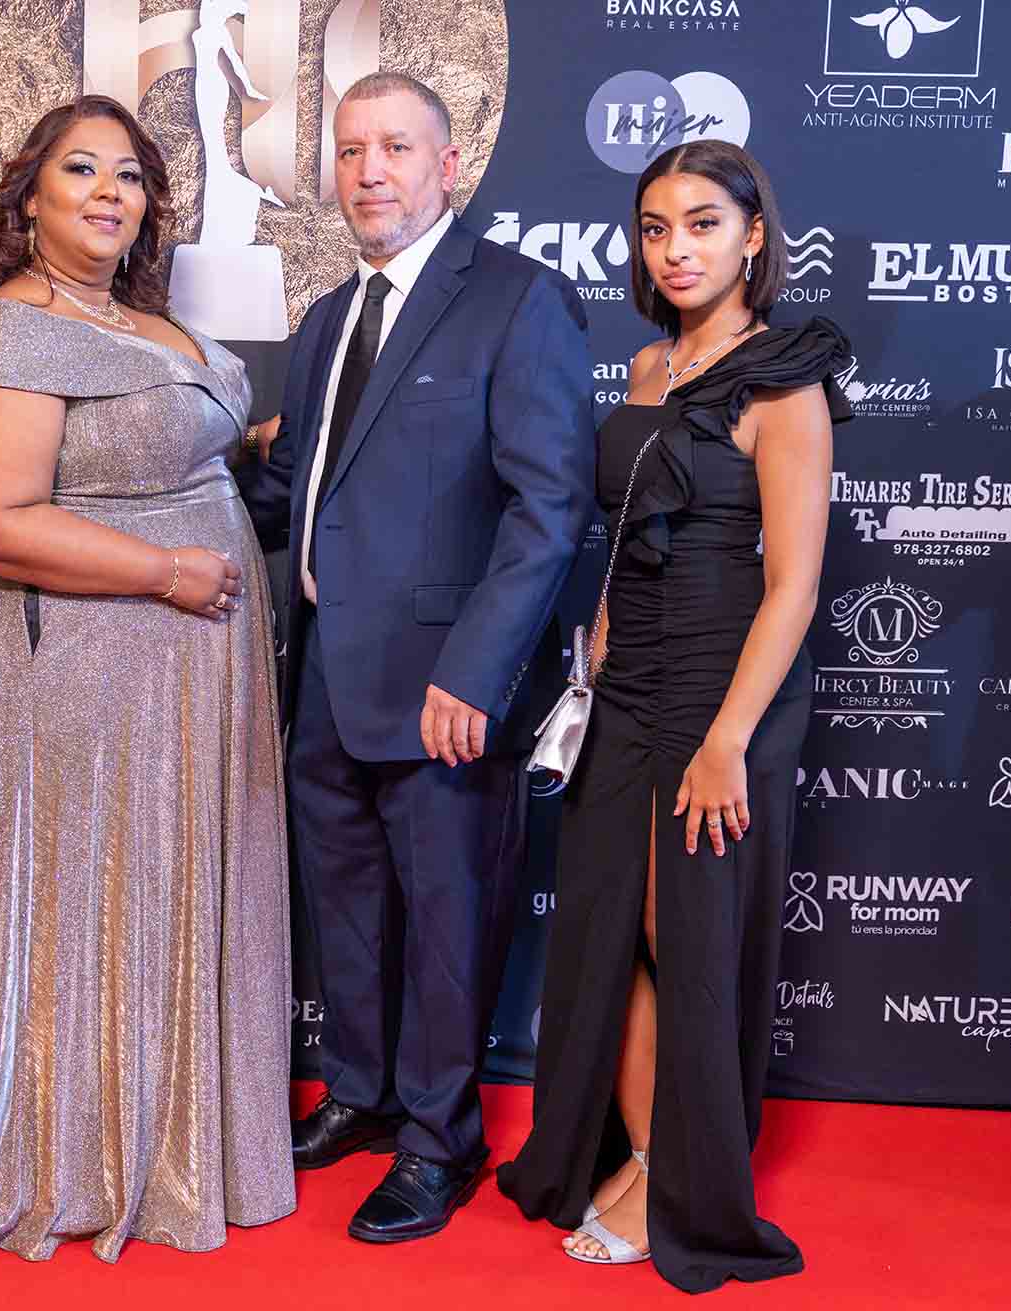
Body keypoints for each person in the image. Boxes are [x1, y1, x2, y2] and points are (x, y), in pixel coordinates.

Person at [0, 94, 295, 1264]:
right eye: (80, 170)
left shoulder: (140, 321)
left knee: (158, 884)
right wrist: (167, 571)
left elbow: (151, 447)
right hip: (74, 661)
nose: (110, 192)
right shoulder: (9, 326)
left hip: (182, 672)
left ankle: (172, 1138)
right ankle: (64, 1157)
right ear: (28, 197)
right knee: (78, 890)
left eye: (130, 175)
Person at [239, 71, 595, 1244]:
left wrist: (477, 671)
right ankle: (362, 1093)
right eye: (350, 151)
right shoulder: (325, 323)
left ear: (449, 165)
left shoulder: (517, 301)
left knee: (447, 924)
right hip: (323, 677)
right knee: (344, 909)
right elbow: (300, 494)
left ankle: (440, 1142)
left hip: (446, 688)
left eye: (394, 147)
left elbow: (547, 508)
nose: (369, 171)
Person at [495, 139, 850, 1292]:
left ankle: (684, 1191)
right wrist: (597, 647)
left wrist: (728, 740)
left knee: (677, 927)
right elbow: (624, 530)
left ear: (753, 237)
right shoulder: (649, 365)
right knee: (615, 930)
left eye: (702, 224)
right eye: (655, 228)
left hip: (720, 684)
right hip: (628, 682)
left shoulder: (783, 379)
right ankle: (643, 1159)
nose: (676, 249)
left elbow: (794, 584)